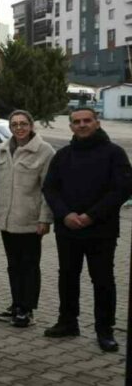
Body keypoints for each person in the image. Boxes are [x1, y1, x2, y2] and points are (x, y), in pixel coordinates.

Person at [42, 108, 132, 352]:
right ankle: (67, 322)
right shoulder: (63, 155)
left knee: (102, 280)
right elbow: (50, 188)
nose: (82, 125)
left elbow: (122, 189)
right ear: (71, 126)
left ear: (97, 123)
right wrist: (65, 214)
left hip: (101, 230)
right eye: (77, 121)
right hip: (68, 229)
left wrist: (91, 215)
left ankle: (105, 330)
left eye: (87, 121)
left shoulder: (114, 153)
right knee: (67, 277)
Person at [0, 110, 55, 328]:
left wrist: (45, 219)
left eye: (23, 123)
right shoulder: (2, 150)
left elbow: (48, 189)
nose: (19, 128)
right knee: (13, 265)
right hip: (7, 221)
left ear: (31, 125)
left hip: (30, 221)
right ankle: (16, 304)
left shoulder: (45, 151)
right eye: (15, 124)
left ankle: (27, 310)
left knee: (29, 266)